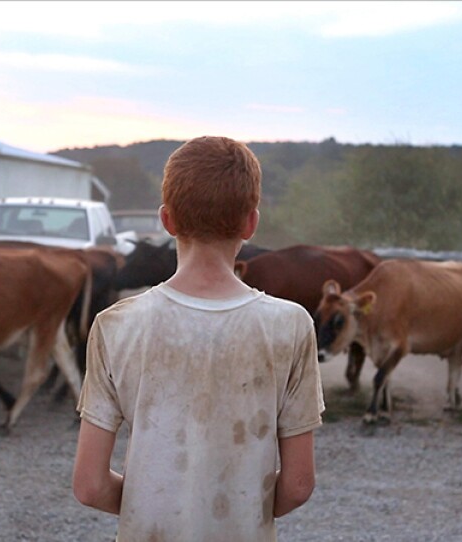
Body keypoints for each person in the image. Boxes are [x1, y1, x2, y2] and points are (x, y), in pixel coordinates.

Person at [72, 136, 324, 541]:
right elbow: (298, 485)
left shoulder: (115, 324)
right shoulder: (291, 325)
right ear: (251, 223)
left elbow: (89, 485)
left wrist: (158, 506)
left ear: (167, 220)